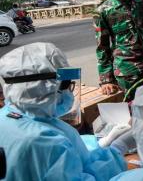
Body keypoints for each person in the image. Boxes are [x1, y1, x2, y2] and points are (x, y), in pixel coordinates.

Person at [0, 43, 127, 180]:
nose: (70, 91)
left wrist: (102, 141)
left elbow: (67, 146)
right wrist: (118, 149)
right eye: (66, 85)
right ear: (43, 88)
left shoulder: (11, 116)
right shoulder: (45, 143)